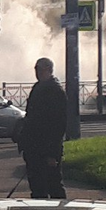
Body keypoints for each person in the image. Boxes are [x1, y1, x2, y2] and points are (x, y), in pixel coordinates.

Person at [18, 57, 68, 198]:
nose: (37, 72)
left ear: (49, 70)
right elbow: (30, 117)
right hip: (34, 148)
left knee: (53, 185)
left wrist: (52, 153)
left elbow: (59, 125)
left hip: (47, 148)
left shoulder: (55, 91)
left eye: (40, 69)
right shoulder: (38, 88)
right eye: (36, 69)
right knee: (37, 185)